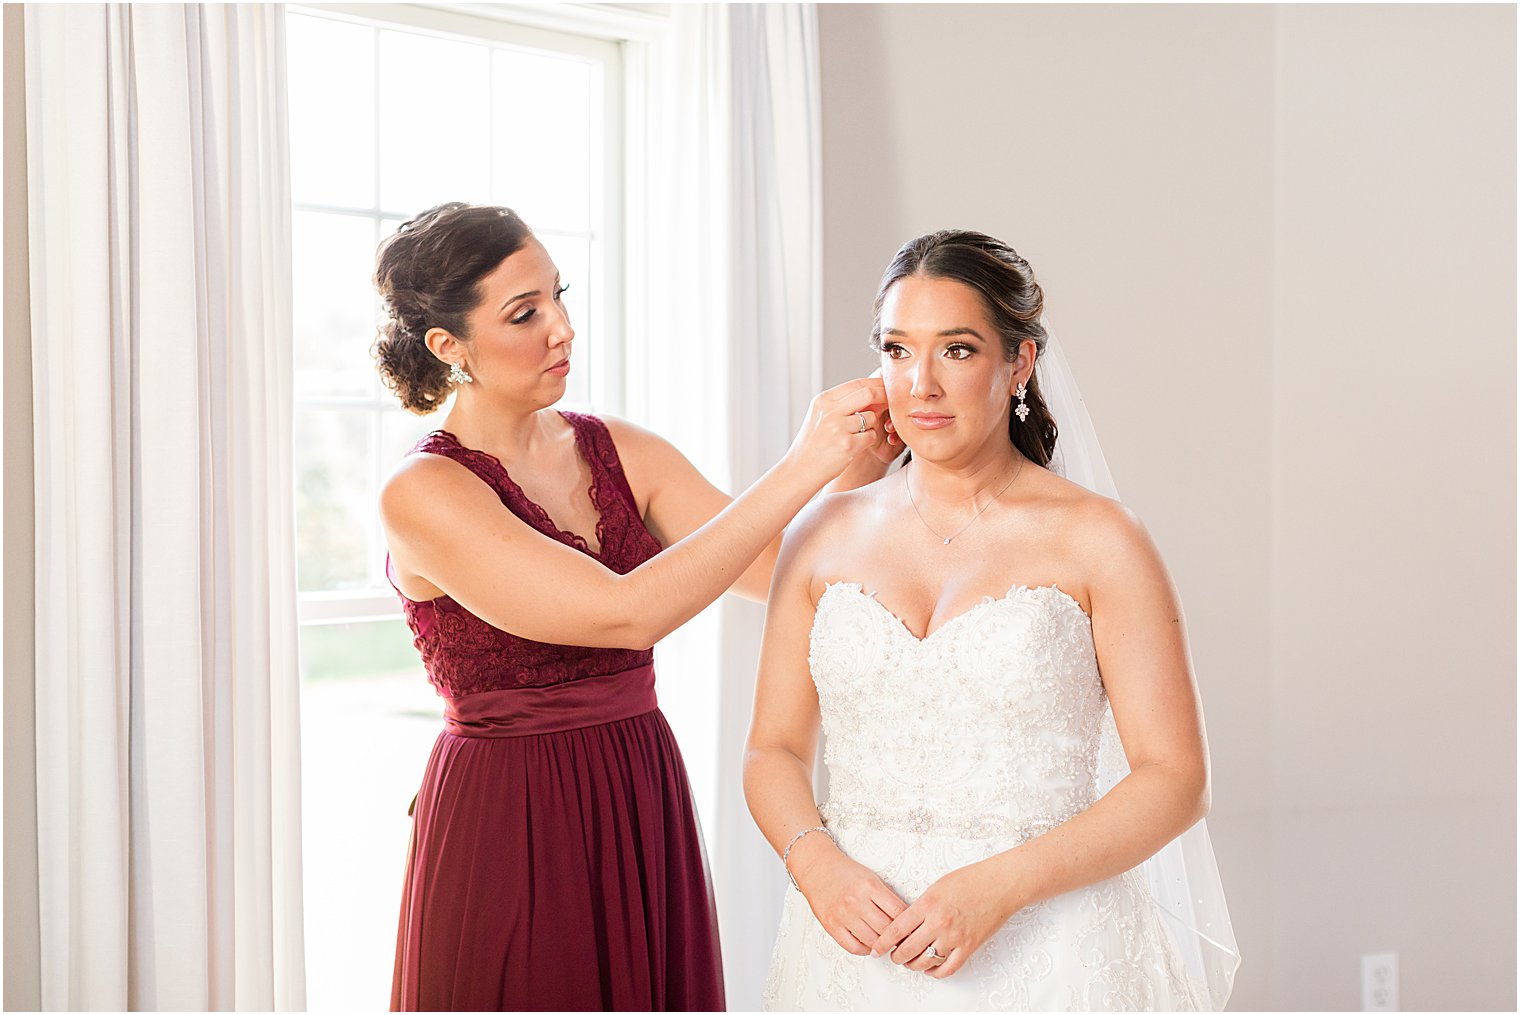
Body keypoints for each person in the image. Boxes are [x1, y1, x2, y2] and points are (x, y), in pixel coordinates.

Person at [373, 202, 892, 1011]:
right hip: (512, 815)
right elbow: (625, 612)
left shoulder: (616, 447)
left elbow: (775, 568)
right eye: (525, 312)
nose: (562, 329)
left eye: (559, 295)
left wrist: (864, 465)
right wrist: (803, 461)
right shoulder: (423, 490)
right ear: (449, 346)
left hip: (637, 783)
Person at [744, 230, 1239, 1010]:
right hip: (858, 952)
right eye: (898, 350)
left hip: (1056, 948)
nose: (921, 385)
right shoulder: (820, 533)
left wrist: (1001, 884)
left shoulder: (1101, 538)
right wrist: (816, 866)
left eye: (958, 350)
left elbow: (1175, 779)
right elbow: (771, 748)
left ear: (1020, 363)